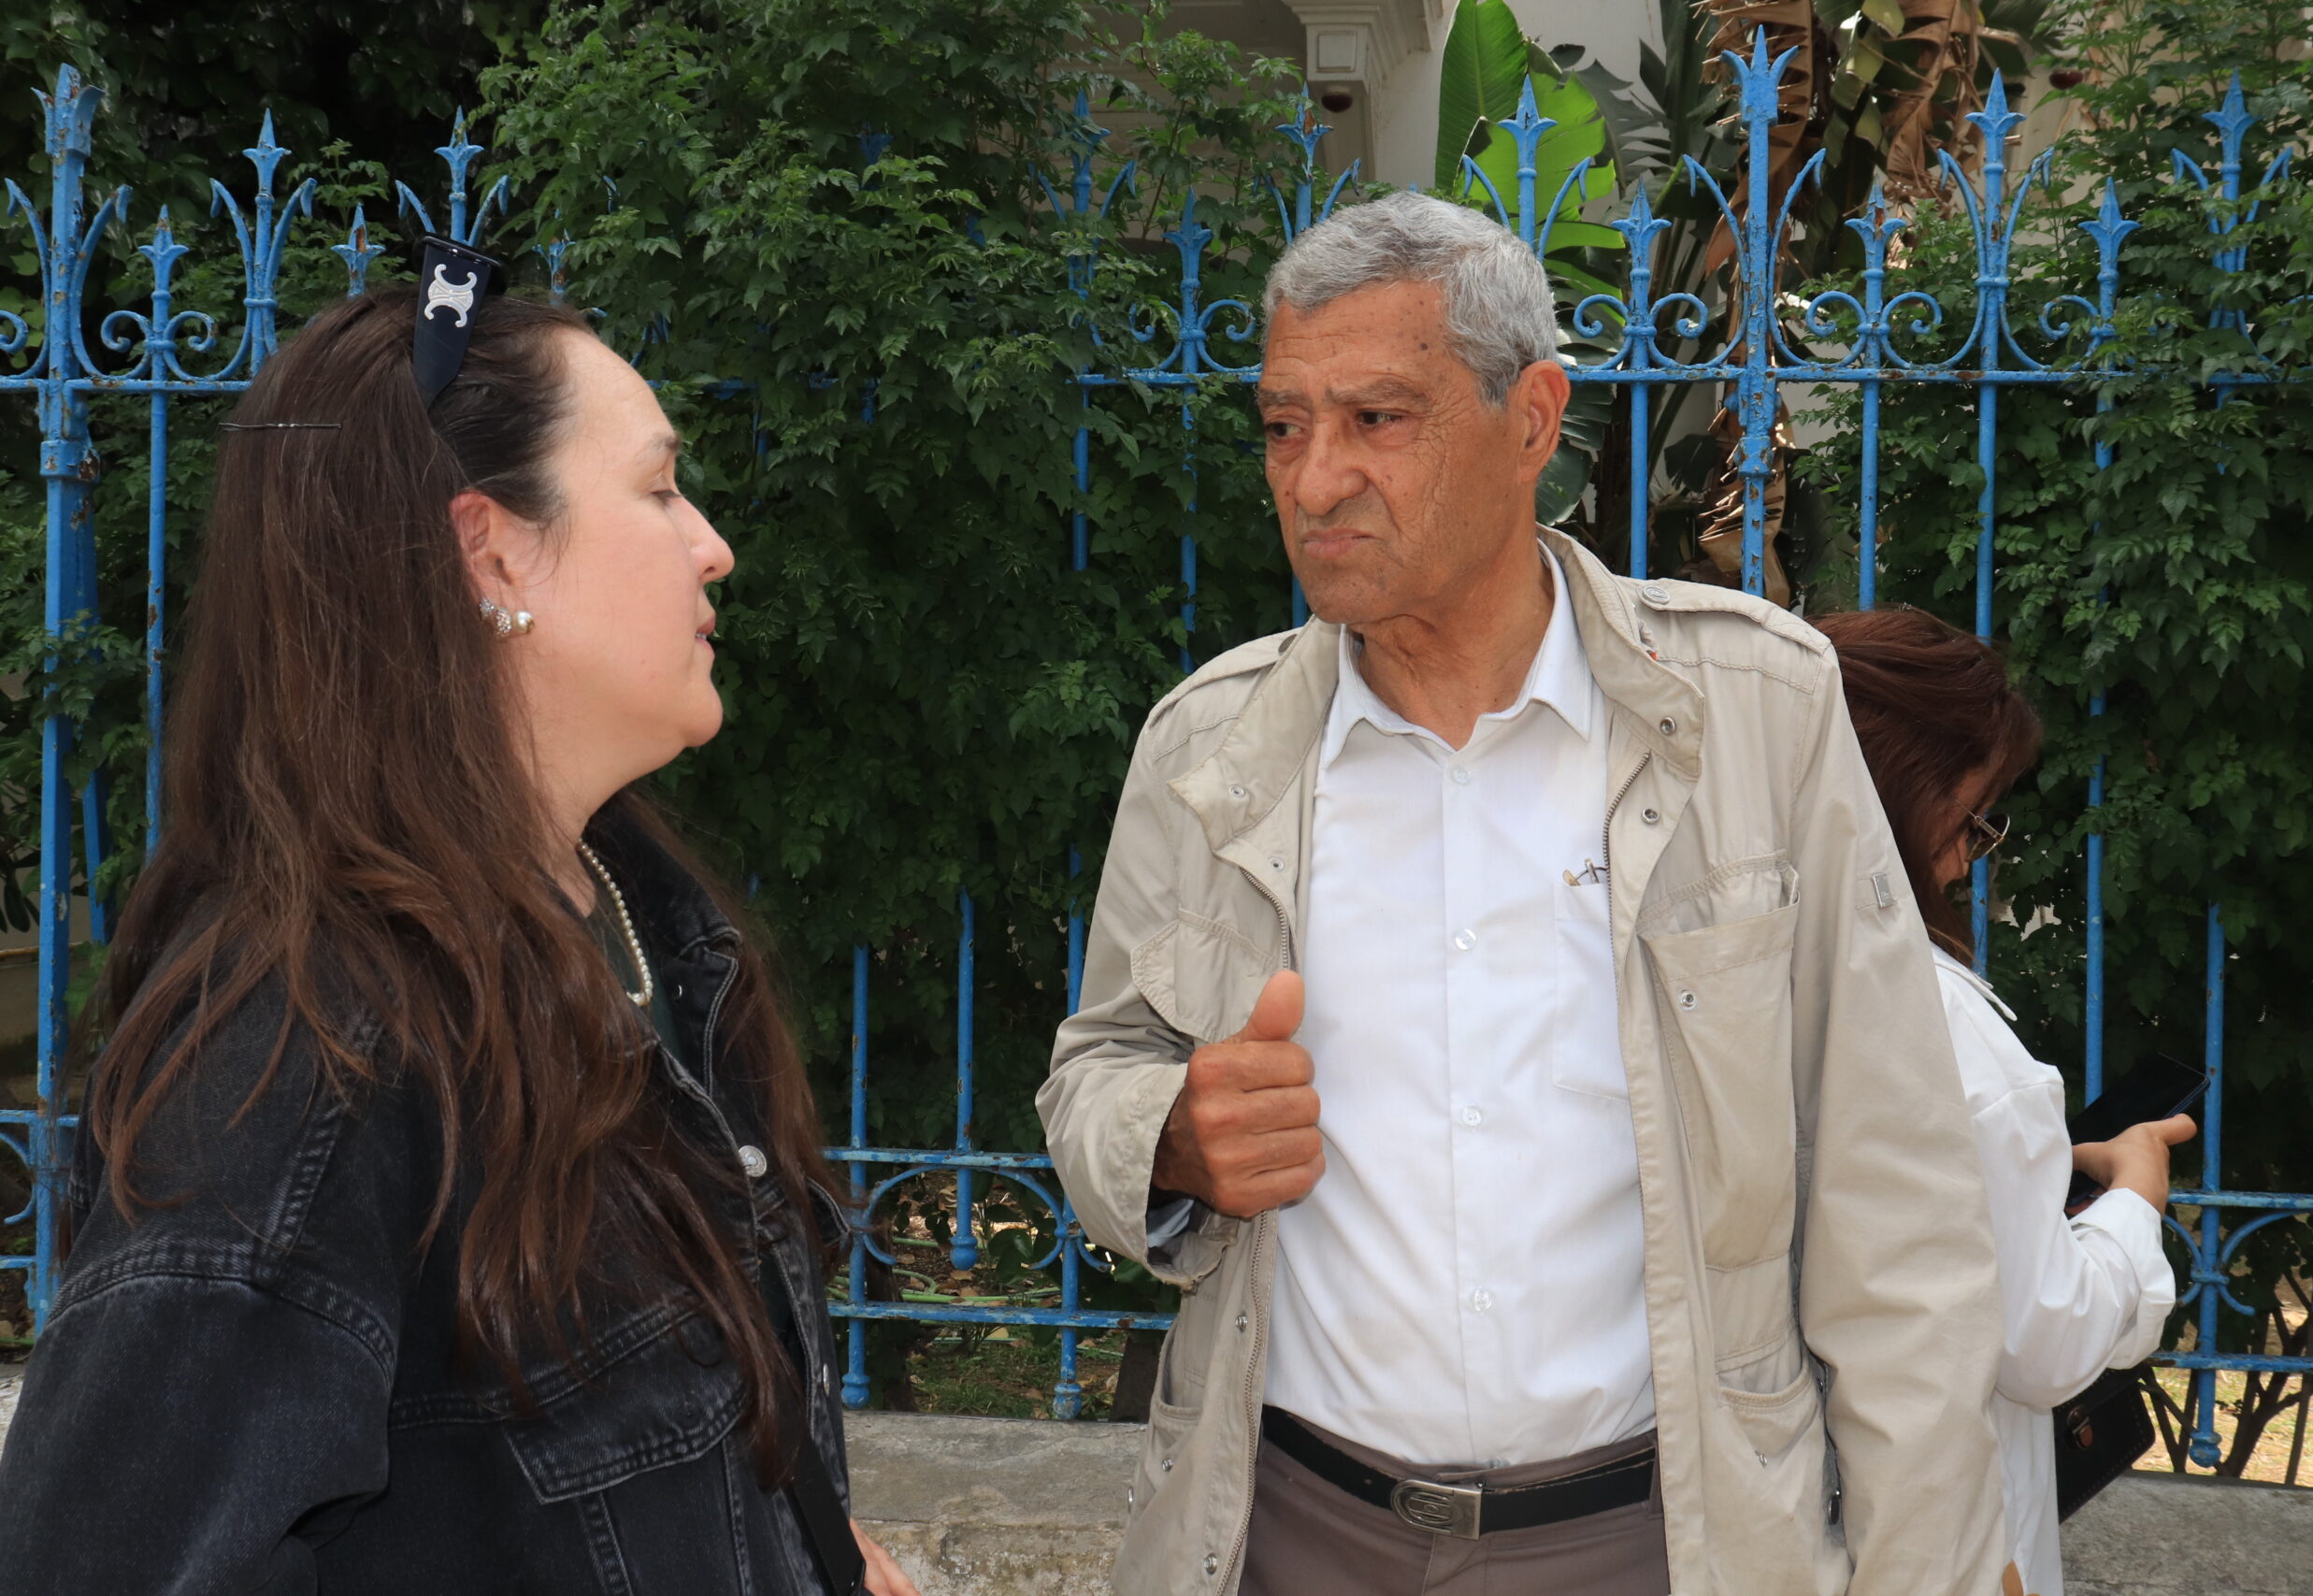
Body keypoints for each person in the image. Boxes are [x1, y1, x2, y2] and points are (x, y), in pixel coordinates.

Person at [1039, 190, 2011, 1596]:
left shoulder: (1757, 709)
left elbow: (1897, 1210)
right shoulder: (1208, 751)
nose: (1313, 481)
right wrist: (1170, 1138)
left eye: (1377, 418)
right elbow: (1095, 1070)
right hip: (1287, 1534)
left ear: (1534, 420)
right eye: (1283, 425)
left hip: (1656, 1544)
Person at [0, 256, 916, 1596]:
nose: (712, 542)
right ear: (491, 549)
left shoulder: (642, 930)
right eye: (660, 487)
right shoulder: (306, 1056)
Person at [1814, 607, 2183, 1596]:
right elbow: (2044, 1339)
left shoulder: (1718, 978)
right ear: (1899, 793)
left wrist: (2041, 1165)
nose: (1964, 857)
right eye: (1972, 819)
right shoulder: (1949, 1032)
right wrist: (2133, 1200)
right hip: (1933, 1534)